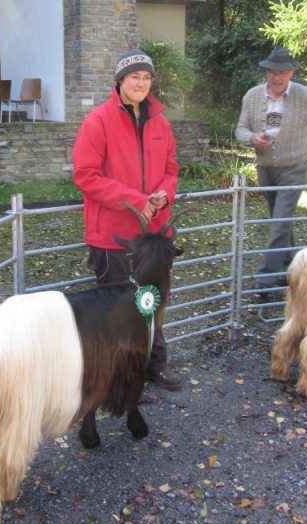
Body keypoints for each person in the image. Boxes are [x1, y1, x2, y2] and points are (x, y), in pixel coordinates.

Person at [72, 48, 182, 391]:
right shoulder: (98, 121)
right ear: (120, 80)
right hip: (113, 235)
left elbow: (171, 169)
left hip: (152, 236)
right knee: (116, 309)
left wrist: (165, 192)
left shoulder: (161, 122)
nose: (142, 83)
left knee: (152, 299)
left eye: (147, 77)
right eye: (135, 76)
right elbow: (86, 176)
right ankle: (118, 375)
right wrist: (137, 200)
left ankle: (154, 364)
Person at [236, 46, 307, 299]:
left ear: (291, 72)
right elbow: (241, 129)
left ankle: (265, 279)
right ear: (266, 72)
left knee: (278, 223)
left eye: (283, 72)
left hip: (295, 165)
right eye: (273, 72)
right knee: (281, 222)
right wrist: (252, 138)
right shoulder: (252, 96)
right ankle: (292, 267)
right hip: (266, 166)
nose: (277, 78)